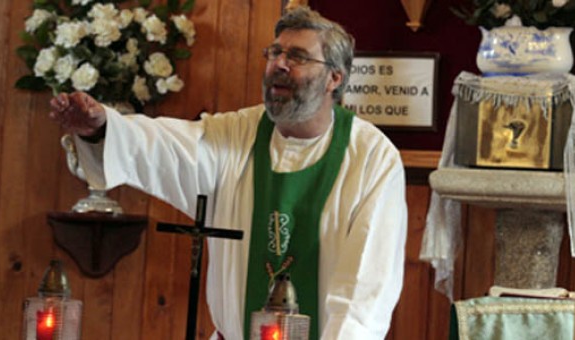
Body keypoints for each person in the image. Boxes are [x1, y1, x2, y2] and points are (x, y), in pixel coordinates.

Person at [50, 6, 407, 340]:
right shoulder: (237, 135)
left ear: (334, 78)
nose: (278, 65)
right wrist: (102, 129)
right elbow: (165, 146)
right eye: (274, 53)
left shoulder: (371, 159)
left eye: (296, 56)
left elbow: (365, 288)